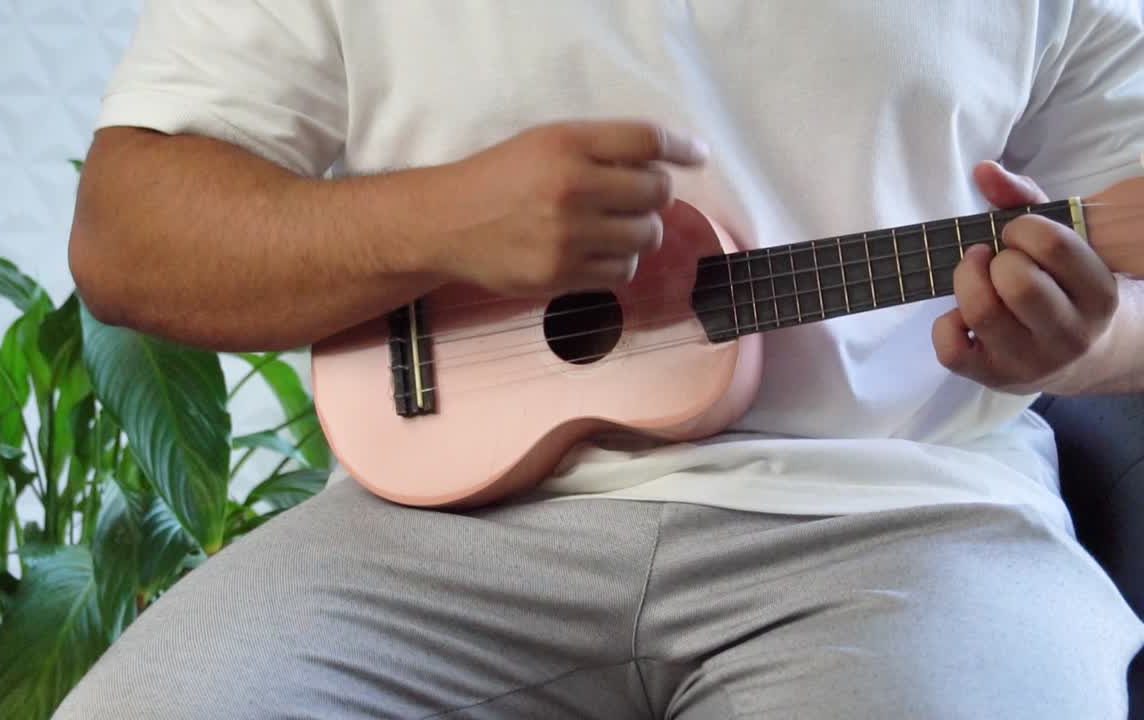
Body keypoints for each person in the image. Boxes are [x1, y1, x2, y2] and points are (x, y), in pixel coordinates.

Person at [56, 2, 1144, 718]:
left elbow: (1128, 294)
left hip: (905, 527)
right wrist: (433, 219)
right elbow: (124, 242)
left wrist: (1080, 337)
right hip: (430, 533)